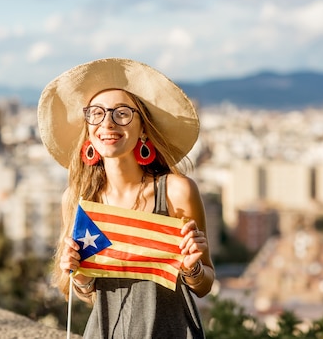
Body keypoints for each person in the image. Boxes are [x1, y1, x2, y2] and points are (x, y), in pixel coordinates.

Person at [37, 57, 215, 338]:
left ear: (143, 127)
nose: (107, 123)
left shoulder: (176, 191)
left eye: (121, 113)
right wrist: (77, 272)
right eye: (96, 113)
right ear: (88, 129)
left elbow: (204, 285)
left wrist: (192, 268)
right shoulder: (77, 199)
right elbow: (87, 292)